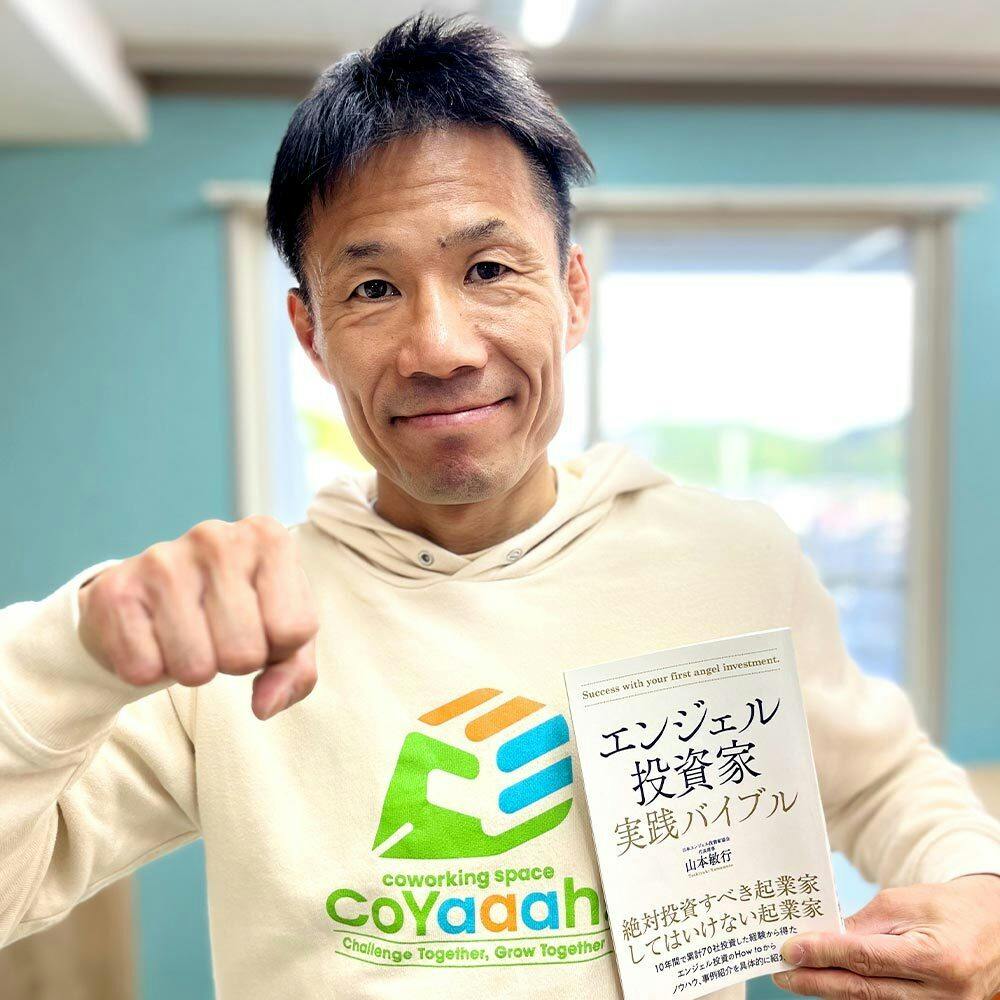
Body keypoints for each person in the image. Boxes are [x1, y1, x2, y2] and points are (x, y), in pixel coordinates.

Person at [2, 12, 999, 1000]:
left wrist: (978, 889)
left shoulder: (726, 561)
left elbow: (879, 779)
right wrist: (73, 651)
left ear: (572, 294)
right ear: (310, 334)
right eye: (373, 288)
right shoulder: (235, 630)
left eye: (487, 269)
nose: (440, 347)